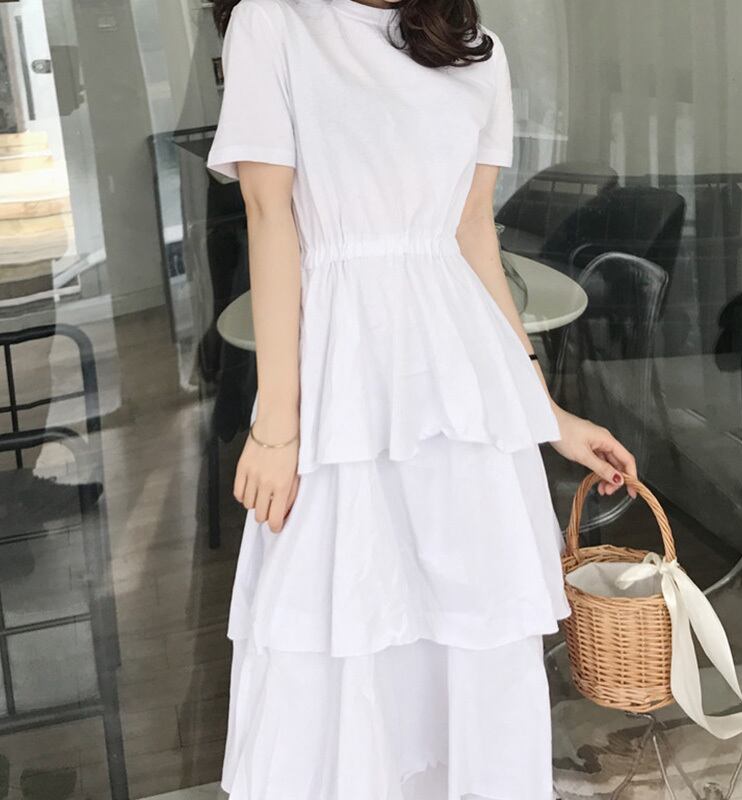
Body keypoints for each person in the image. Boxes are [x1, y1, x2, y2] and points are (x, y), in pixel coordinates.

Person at [206, 0, 637, 796]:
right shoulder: (275, 22)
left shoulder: (478, 53)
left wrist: (546, 414)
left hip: (461, 389)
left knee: (474, 628)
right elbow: (269, 217)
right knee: (341, 625)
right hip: (338, 384)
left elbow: (472, 234)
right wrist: (277, 427)